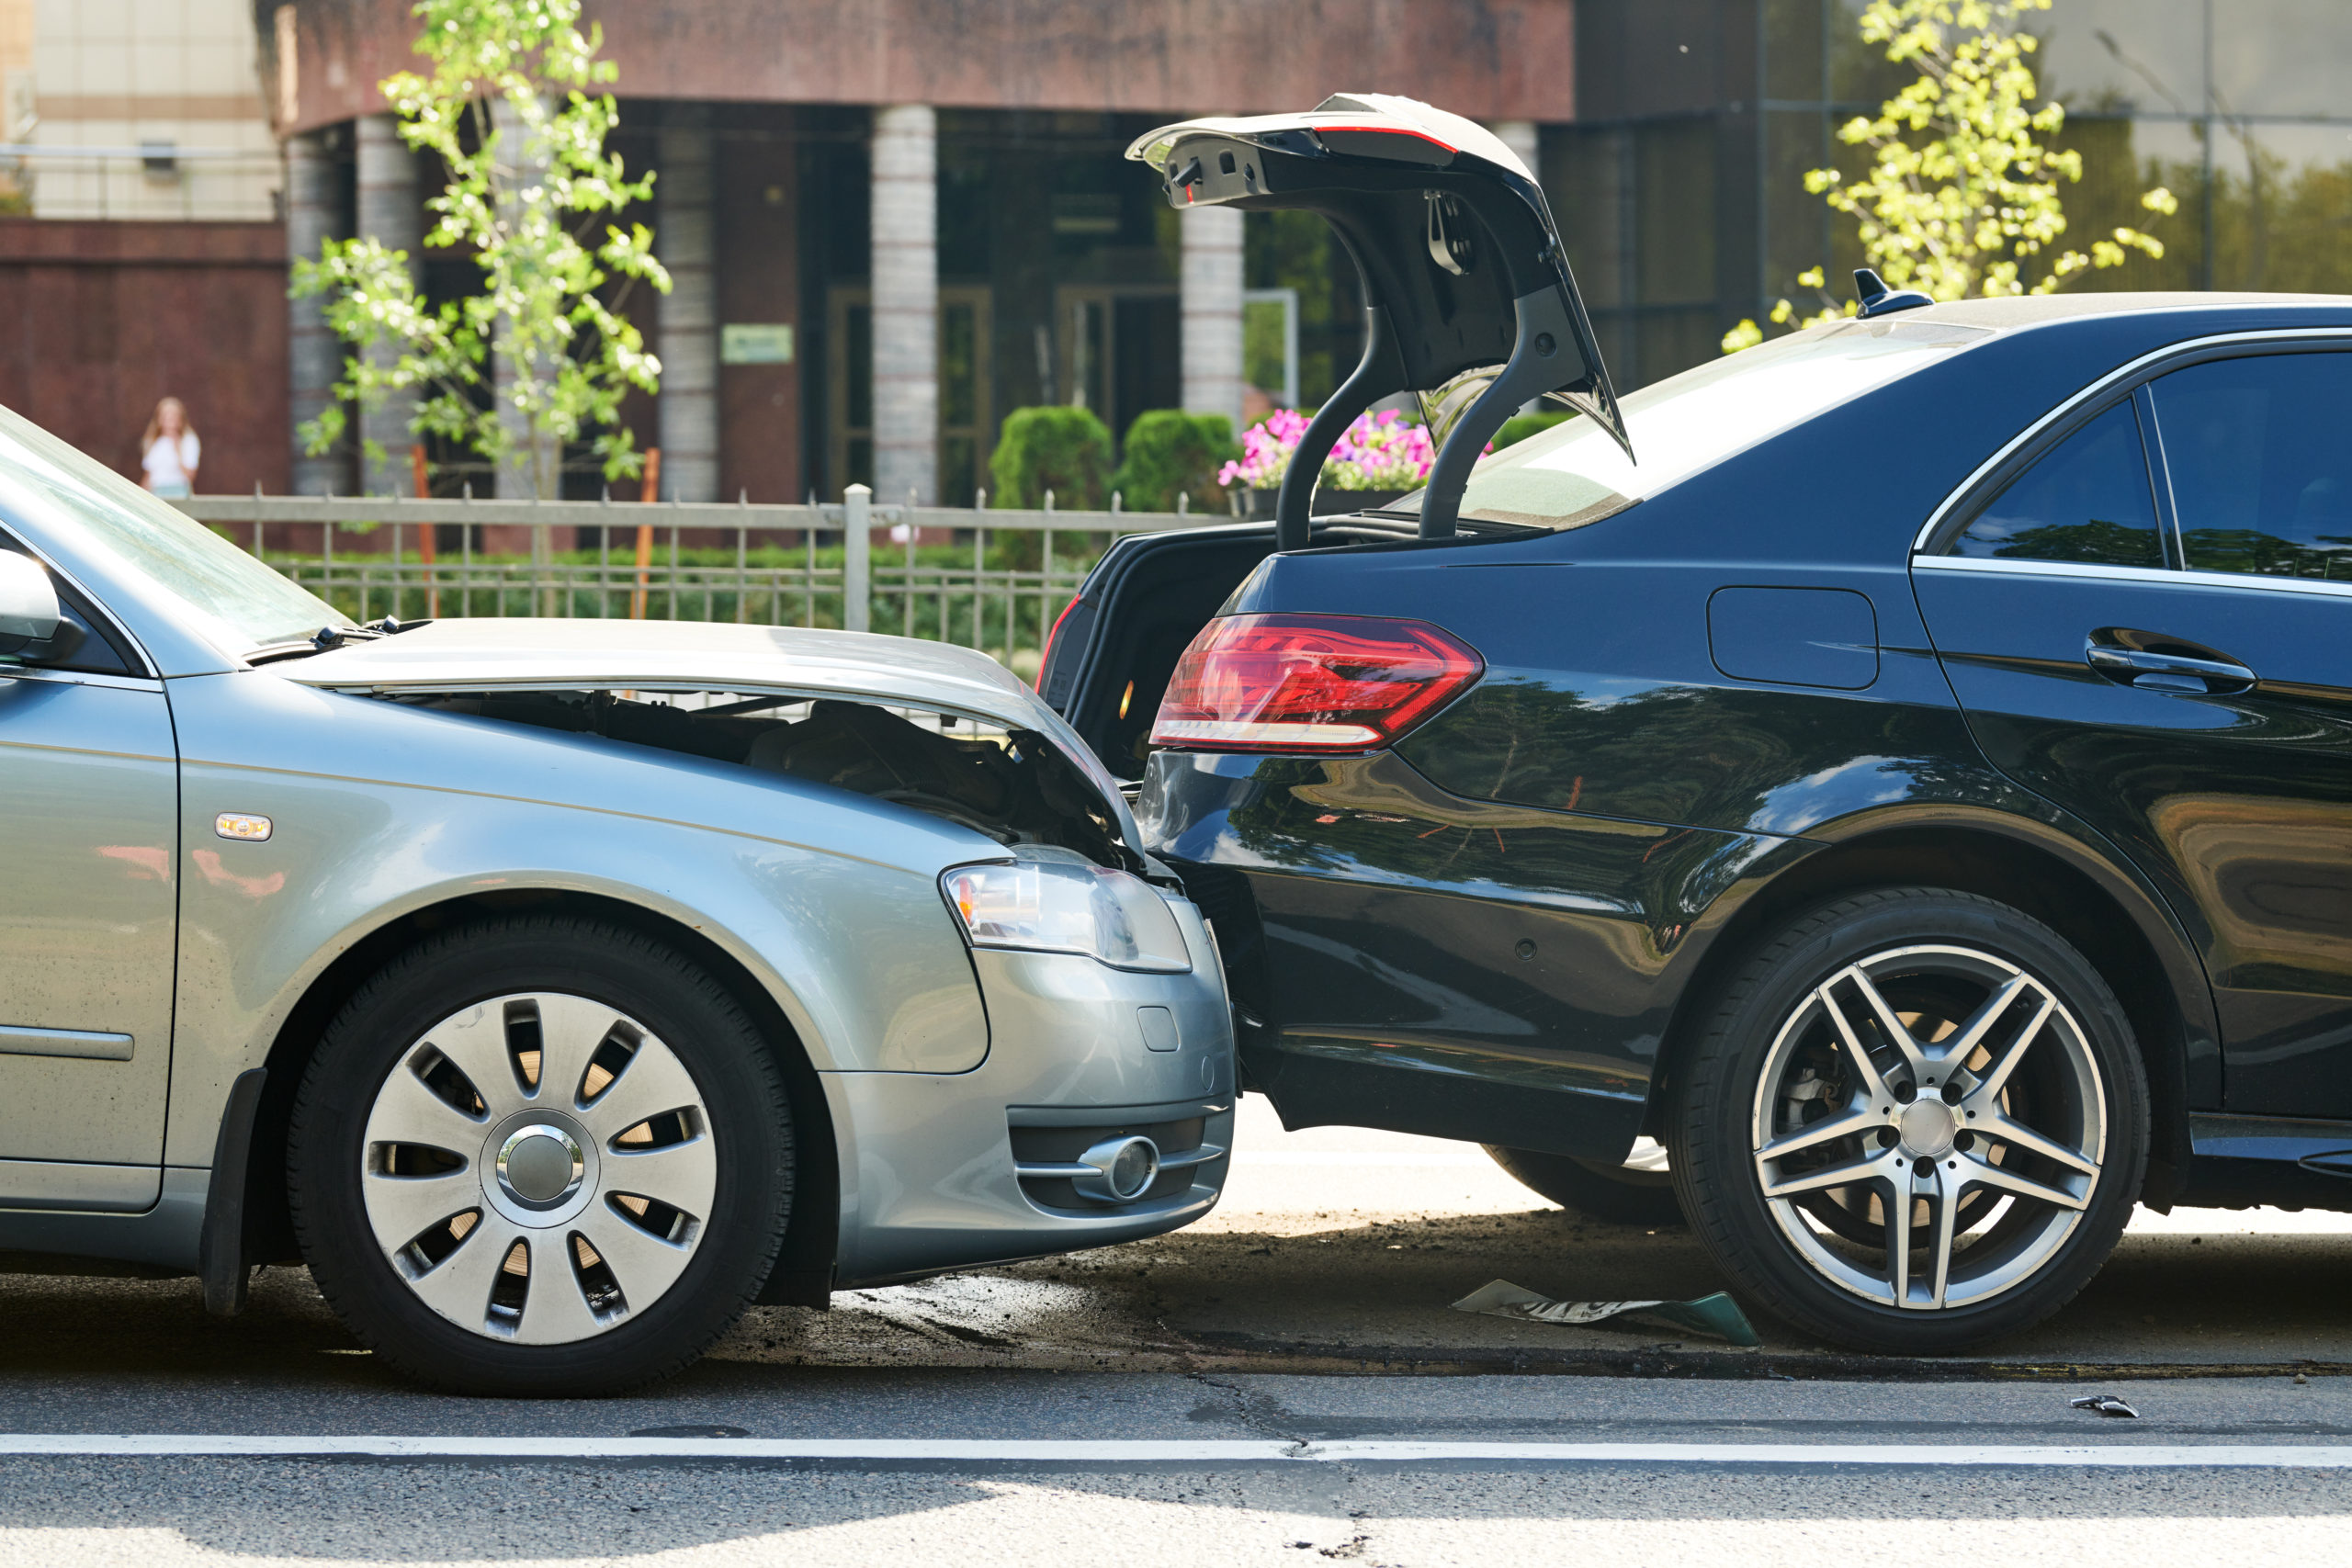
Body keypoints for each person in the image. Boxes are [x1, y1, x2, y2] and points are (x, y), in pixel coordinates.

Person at [140, 397, 200, 498]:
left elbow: (190, 475)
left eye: (173, 416)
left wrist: (177, 448)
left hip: (178, 492)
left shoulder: (188, 440)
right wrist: (140, 496)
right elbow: (149, 476)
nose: (170, 421)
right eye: (166, 416)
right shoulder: (153, 441)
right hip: (156, 492)